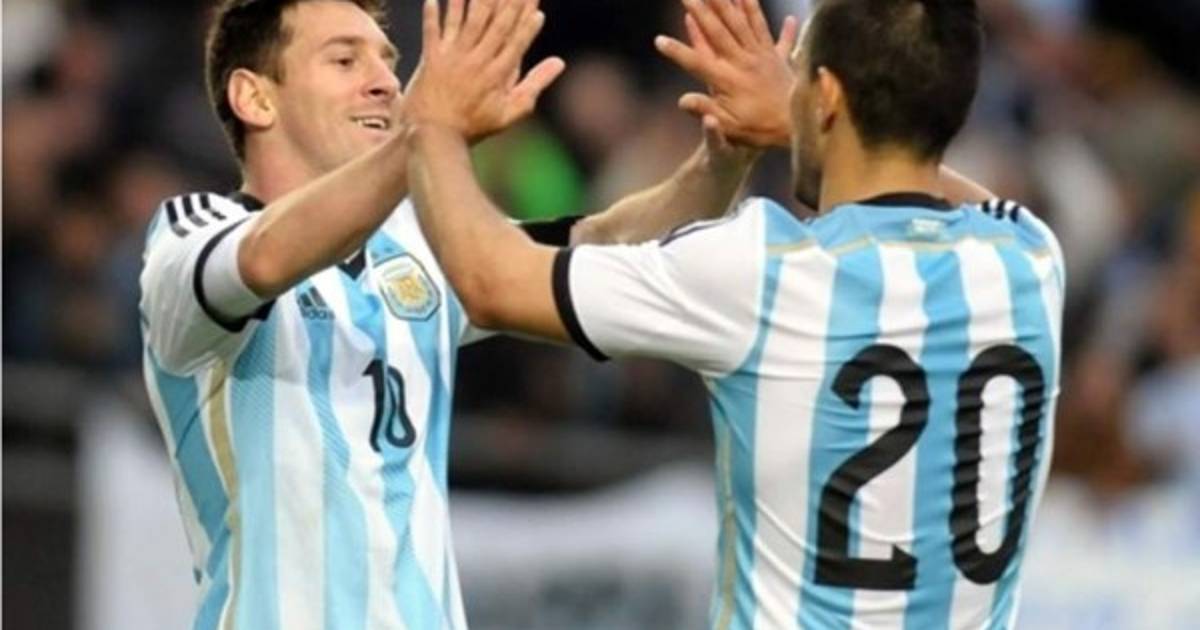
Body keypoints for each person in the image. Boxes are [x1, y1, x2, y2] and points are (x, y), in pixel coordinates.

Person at [403, 0, 1065, 628]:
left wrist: (434, 123)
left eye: (797, 72)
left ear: (828, 96)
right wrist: (810, 123)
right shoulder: (1031, 263)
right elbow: (954, 197)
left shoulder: (763, 268)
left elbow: (490, 282)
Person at [138, 0, 780, 627]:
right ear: (254, 98)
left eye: (389, 62)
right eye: (345, 60)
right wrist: (427, 133)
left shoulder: (413, 248)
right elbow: (266, 257)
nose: (386, 82)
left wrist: (725, 155)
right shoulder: (191, 232)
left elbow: (605, 243)